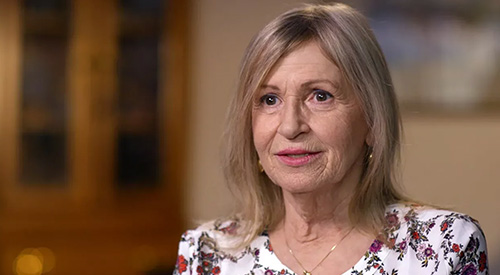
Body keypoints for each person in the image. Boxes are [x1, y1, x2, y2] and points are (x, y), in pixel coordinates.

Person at [174, 3, 488, 275]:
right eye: (269, 100)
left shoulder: (443, 246)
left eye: (320, 96)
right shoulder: (206, 254)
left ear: (372, 120)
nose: (290, 126)